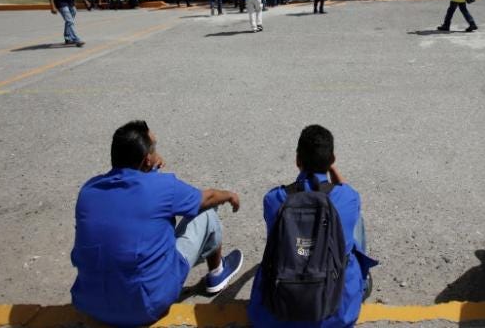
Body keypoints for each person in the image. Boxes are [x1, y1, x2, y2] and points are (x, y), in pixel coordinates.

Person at [71, 121, 243, 326]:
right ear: (147, 160)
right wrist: (229, 195)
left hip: (91, 304)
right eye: (154, 149)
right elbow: (207, 198)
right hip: (145, 307)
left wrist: (150, 171)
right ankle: (217, 273)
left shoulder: (88, 191)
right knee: (206, 212)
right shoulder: (162, 187)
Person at [248, 125, 377, 327]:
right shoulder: (349, 198)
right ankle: (363, 280)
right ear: (331, 160)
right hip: (336, 316)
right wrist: (331, 169)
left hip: (275, 317)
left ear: (297, 160)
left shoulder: (274, 200)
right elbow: (346, 189)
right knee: (354, 222)